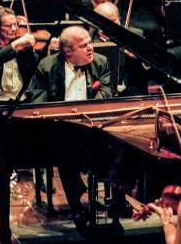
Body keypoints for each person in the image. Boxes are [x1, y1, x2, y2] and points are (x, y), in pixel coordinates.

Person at [27, 25, 111, 232]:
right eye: (84, 46)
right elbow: (37, 98)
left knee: (117, 143)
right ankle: (76, 205)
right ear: (68, 52)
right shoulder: (47, 66)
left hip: (93, 126)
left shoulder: (101, 62)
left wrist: (89, 111)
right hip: (60, 129)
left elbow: (107, 92)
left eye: (90, 43)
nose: (91, 48)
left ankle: (114, 200)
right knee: (66, 147)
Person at [0, 7, 38, 130]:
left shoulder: (21, 44)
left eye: (15, 24)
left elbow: (34, 67)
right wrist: (14, 46)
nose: (14, 29)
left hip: (21, 102)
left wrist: (32, 50)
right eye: (8, 26)